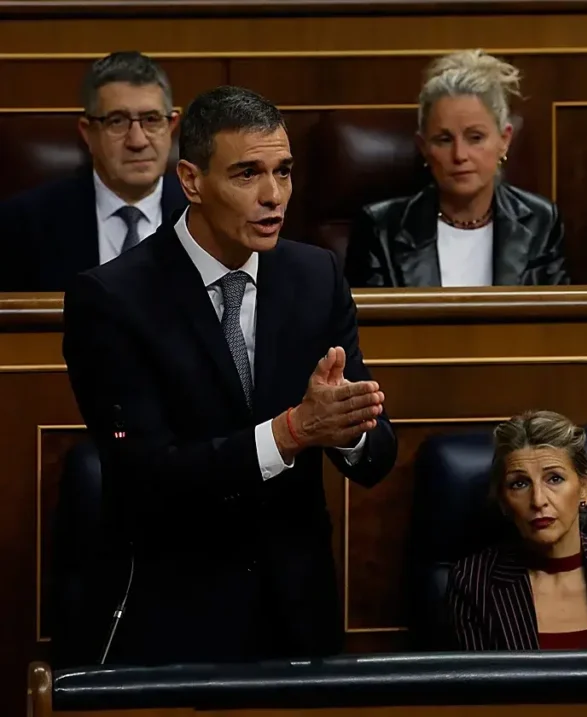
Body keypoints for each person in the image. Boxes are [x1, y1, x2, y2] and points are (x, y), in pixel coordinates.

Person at [62, 86, 398, 665]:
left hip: (298, 615)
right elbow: (144, 474)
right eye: (247, 174)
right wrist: (291, 432)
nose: (274, 197)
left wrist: (348, 427)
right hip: (173, 616)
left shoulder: (314, 275)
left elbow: (376, 453)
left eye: (284, 172)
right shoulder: (113, 299)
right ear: (191, 180)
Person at [445, 411, 587, 650]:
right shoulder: (473, 583)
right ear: (503, 501)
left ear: (584, 488)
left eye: (554, 479)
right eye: (519, 484)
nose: (538, 500)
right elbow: (476, 685)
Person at [346, 50, 568, 288]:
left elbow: (553, 322)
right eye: (444, 140)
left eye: (475, 137)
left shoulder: (540, 222)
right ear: (423, 147)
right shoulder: (381, 230)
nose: (460, 155)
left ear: (504, 140)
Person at [0, 51, 186, 292]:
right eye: (117, 121)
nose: (138, 141)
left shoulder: (205, 214)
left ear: (171, 126)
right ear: (88, 133)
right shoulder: (23, 225)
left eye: (151, 120)